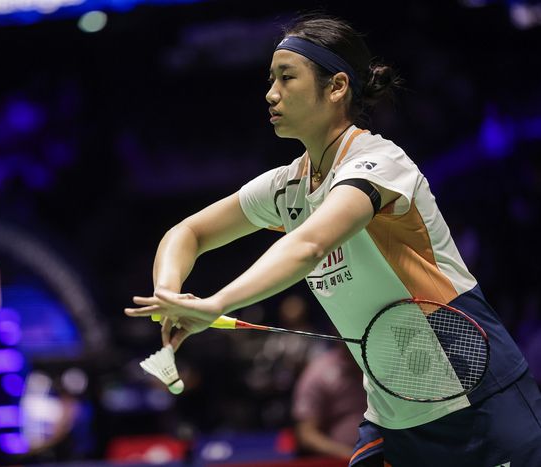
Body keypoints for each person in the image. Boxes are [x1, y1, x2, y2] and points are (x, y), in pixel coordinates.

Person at [124, 13, 541, 467]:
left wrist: (217, 303)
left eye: (287, 77)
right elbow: (187, 232)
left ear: (337, 86)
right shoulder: (288, 186)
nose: (271, 93)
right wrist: (168, 293)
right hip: (393, 415)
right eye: (270, 79)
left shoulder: (379, 163)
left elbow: (309, 246)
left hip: (476, 399)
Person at [291, 343, 366, 460]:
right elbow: (307, 434)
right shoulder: (318, 373)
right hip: (339, 460)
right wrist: (349, 455)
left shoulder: (386, 370)